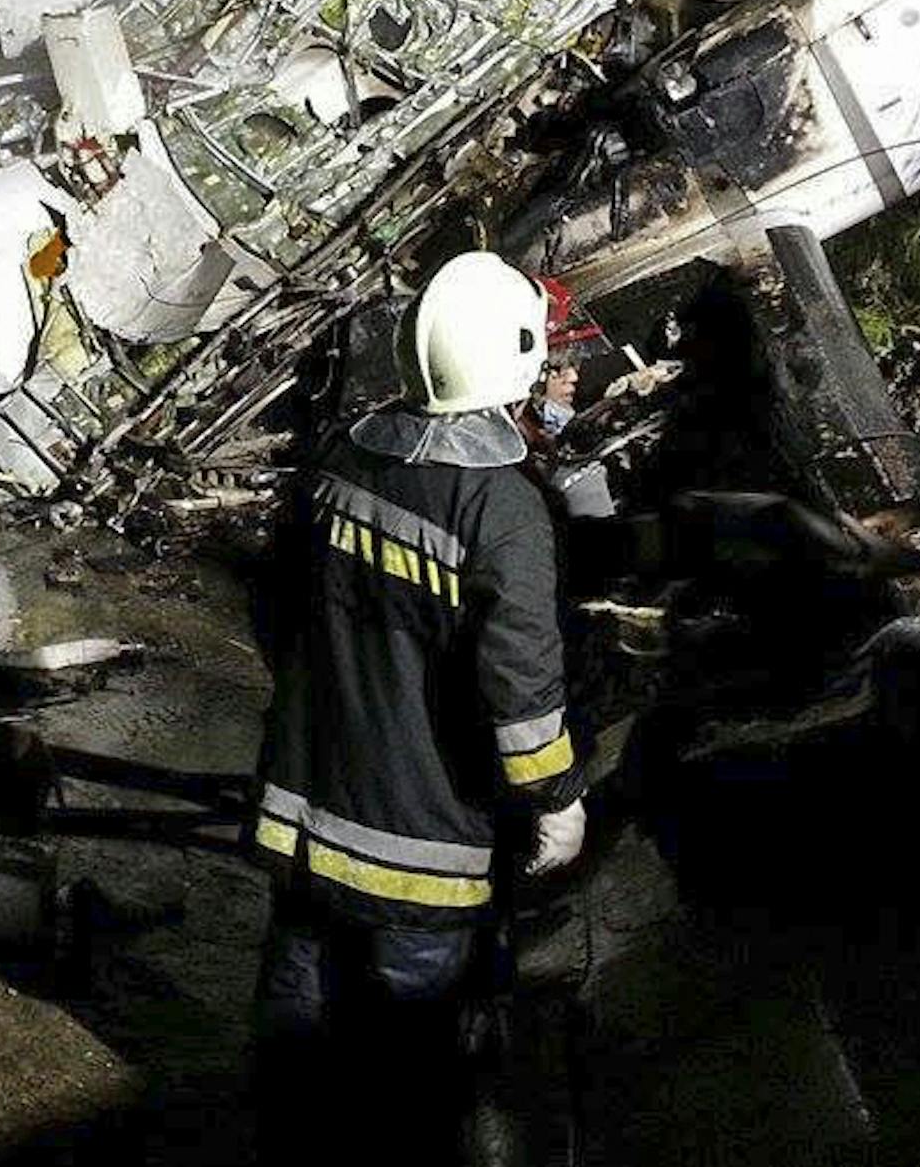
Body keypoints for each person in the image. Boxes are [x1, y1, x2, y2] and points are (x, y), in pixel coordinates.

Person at [249, 250, 591, 1163]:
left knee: (297, 1018)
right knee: (405, 1070)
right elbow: (520, 692)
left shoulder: (339, 460)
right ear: (515, 361)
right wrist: (557, 801)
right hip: (421, 852)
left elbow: (276, 610)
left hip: (306, 812)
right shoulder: (505, 513)